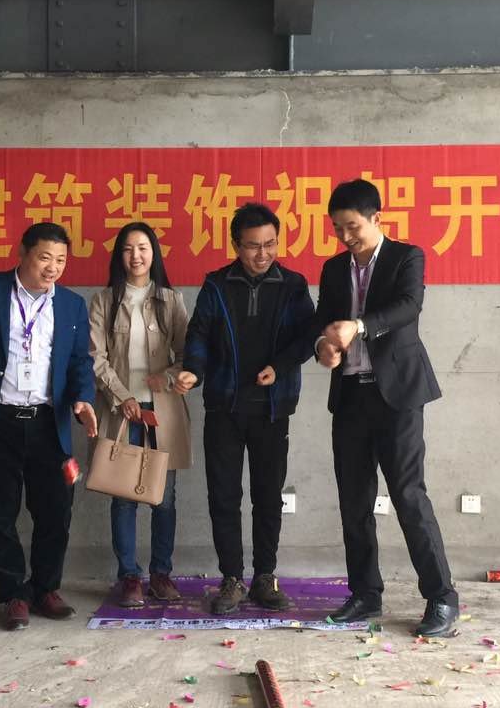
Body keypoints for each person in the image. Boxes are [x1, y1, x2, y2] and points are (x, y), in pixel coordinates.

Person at [312, 179, 459, 638]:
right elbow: (322, 323)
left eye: (353, 227)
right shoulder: (333, 269)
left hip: (397, 396)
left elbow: (408, 307)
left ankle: (442, 597)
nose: (345, 237)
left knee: (409, 496)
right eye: (338, 229)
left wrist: (358, 326)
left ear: (377, 218)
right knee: (353, 501)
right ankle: (365, 594)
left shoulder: (406, 257)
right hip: (351, 395)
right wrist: (323, 347)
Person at [0, 222, 98, 631]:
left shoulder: (72, 305)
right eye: (44, 257)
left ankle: (46, 588)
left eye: (60, 260)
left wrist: (83, 398)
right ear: (22, 253)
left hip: (49, 423)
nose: (52, 268)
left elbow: (80, 361)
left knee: (55, 512)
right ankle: (13, 594)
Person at [175, 203, 315, 615]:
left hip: (273, 408)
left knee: (268, 496)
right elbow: (198, 333)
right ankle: (232, 579)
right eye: (253, 246)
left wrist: (280, 367)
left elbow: (308, 336)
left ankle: (265, 577)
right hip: (225, 406)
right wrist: (194, 370)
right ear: (236, 245)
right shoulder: (217, 285)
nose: (263, 253)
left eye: (270, 244)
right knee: (223, 495)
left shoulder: (293, 285)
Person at [88, 222, 192, 607]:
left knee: (164, 498)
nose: (136, 256)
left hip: (162, 411)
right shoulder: (104, 301)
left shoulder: (171, 300)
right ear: (120, 255)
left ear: (154, 254)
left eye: (143, 248)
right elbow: (95, 357)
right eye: (128, 249)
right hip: (121, 412)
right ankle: (129, 576)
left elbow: (188, 355)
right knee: (123, 497)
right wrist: (122, 396)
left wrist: (167, 377)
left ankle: (161, 573)